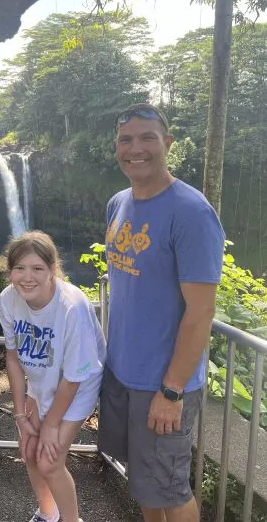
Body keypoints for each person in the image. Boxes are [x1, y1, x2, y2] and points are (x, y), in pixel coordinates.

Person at [98, 104, 225, 522]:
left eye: (147, 137)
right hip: (122, 371)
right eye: (125, 140)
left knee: (170, 489)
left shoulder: (191, 212)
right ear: (116, 147)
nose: (135, 149)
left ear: (167, 143)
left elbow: (200, 312)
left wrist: (171, 392)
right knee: (144, 481)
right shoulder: (119, 203)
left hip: (165, 382)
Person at [0, 231, 106, 522]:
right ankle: (47, 514)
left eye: (37, 268)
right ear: (9, 272)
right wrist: (20, 415)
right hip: (41, 378)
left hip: (78, 385)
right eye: (19, 268)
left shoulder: (72, 307)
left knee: (50, 460)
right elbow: (13, 358)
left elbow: (72, 379)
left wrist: (51, 425)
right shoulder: (9, 299)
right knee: (31, 451)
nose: (27, 277)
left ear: (52, 270)